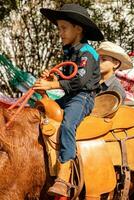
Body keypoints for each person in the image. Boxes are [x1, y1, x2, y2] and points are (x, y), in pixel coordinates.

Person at [33, 3, 104, 197]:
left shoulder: (88, 52)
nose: (60, 33)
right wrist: (52, 79)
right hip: (70, 96)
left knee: (67, 125)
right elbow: (65, 79)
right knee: (41, 112)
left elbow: (79, 80)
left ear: (78, 29)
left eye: (64, 28)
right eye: (59, 28)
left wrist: (50, 86)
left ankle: (64, 178)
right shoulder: (69, 51)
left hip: (83, 98)